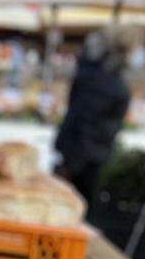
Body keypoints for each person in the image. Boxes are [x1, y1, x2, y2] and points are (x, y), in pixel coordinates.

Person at [55, 26, 139, 203]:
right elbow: (87, 122)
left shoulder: (92, 72)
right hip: (84, 159)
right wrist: (73, 164)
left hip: (82, 154)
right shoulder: (106, 81)